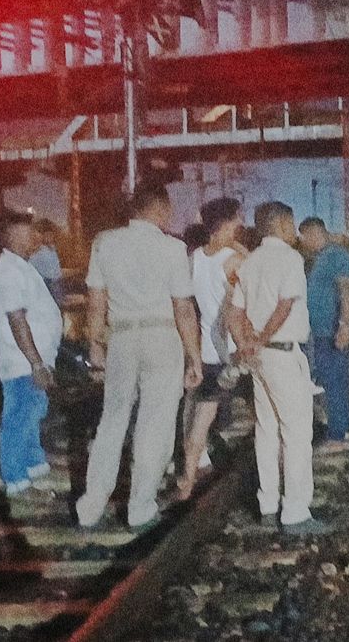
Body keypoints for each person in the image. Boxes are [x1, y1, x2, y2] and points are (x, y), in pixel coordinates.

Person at [76, 184, 202, 531]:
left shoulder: (104, 243)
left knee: (112, 420)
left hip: (121, 338)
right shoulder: (173, 248)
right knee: (155, 421)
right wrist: (194, 357)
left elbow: (96, 300)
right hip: (161, 336)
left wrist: (95, 344)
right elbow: (184, 309)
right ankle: (140, 506)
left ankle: (91, 506)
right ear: (160, 210)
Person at [230, 202, 325, 534]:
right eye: (292, 224)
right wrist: (263, 337)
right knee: (297, 433)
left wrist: (245, 343)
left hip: (258, 359)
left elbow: (234, 311)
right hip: (282, 353)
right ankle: (296, 511)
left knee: (267, 430)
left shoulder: (250, 262)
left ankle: (268, 504)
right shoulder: (290, 259)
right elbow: (286, 304)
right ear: (283, 225)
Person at [176, 199, 246, 500]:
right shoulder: (234, 260)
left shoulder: (195, 259)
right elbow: (239, 307)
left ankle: (187, 483)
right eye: (237, 219)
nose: (240, 224)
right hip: (237, 351)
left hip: (208, 353)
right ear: (228, 222)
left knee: (201, 420)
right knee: (266, 411)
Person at [0, 213, 63, 495]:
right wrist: (36, 363)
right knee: (19, 416)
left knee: (33, 411)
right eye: (28, 233)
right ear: (13, 237)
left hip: (34, 360)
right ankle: (14, 475)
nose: (34, 238)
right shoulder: (8, 271)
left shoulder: (22, 266)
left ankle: (32, 461)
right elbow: (16, 319)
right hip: (22, 363)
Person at [298, 217, 349, 453]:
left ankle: (337, 436)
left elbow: (347, 290)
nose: (302, 243)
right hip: (318, 331)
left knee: (333, 380)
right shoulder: (320, 257)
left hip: (329, 330)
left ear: (313, 233)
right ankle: (339, 427)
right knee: (329, 379)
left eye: (304, 238)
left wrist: (344, 325)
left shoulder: (336, 256)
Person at [29, 219, 64, 305]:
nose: (50, 237)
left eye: (51, 235)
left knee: (58, 307)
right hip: (48, 284)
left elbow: (56, 269)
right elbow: (30, 266)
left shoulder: (53, 250)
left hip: (57, 283)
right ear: (43, 236)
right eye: (47, 235)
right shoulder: (40, 252)